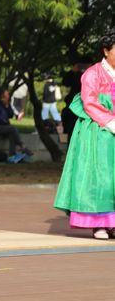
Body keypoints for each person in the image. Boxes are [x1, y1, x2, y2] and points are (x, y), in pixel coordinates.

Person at [55, 29, 115, 240]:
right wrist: (111, 123)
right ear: (106, 50)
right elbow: (90, 103)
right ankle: (99, 224)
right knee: (99, 177)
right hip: (96, 132)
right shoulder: (92, 74)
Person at [0, 88, 32, 158]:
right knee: (12, 128)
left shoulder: (7, 104)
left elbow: (10, 115)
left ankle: (12, 155)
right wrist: (5, 122)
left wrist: (7, 106)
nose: (8, 95)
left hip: (6, 127)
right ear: (2, 95)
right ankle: (22, 146)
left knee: (12, 134)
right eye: (7, 94)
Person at [61, 58, 92, 143]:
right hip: (74, 107)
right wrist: (72, 71)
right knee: (72, 132)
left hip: (89, 107)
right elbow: (65, 82)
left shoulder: (94, 74)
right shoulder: (76, 74)